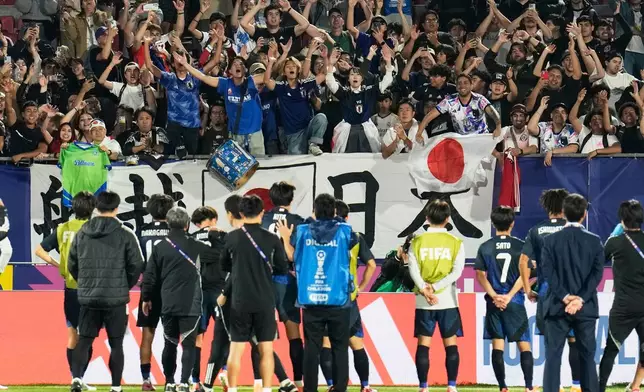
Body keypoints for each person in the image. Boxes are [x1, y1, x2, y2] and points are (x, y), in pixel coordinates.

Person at [278, 193, 357, 392]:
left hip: (311, 298)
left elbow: (292, 256)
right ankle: (339, 388)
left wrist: (287, 238)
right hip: (338, 298)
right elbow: (352, 241)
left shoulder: (303, 231)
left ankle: (310, 389)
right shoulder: (345, 230)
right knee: (340, 347)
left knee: (312, 347)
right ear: (334, 211)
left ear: (314, 210)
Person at [68, 191, 144, 392]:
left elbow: (71, 264)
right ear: (117, 208)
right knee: (116, 343)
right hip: (116, 299)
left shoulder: (82, 232)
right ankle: (116, 386)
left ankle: (76, 378)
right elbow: (137, 265)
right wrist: (124, 285)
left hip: (88, 297)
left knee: (84, 340)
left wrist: (85, 283)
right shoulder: (126, 233)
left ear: (96, 207)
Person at [220, 195, 289, 392]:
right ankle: (266, 389)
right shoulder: (272, 238)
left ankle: (232, 389)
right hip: (265, 301)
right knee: (266, 349)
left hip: (240, 300)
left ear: (241, 213)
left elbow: (224, 265)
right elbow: (282, 268)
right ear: (262, 212)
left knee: (236, 348)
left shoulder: (231, 237)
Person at [518, 188, 582, 392]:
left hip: (547, 292)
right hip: (572, 291)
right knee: (573, 340)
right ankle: (576, 385)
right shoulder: (575, 230)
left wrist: (528, 289)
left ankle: (555, 384)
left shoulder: (536, 230)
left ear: (547, 207)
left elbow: (523, 261)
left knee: (552, 342)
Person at [141, 207, 210, 392]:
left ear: (168, 224)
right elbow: (219, 257)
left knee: (169, 343)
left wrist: (146, 298)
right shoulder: (197, 246)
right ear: (187, 225)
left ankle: (169, 382)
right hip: (191, 304)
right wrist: (216, 238)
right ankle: (184, 383)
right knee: (188, 345)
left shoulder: (160, 247)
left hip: (168, 303)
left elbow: (150, 277)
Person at [34, 191, 97, 392]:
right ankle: (80, 377)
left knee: (73, 336)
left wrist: (57, 264)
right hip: (92, 289)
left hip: (69, 289)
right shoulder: (95, 229)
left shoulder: (63, 228)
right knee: (87, 337)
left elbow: (39, 250)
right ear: (92, 209)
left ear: (73, 208)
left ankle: (75, 378)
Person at [541, 194, 604, 392]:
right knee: (587, 357)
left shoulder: (550, 241)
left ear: (564, 214)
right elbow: (597, 274)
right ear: (584, 215)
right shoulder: (595, 241)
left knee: (553, 356)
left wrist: (564, 296)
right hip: (585, 308)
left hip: (557, 306)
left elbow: (547, 272)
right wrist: (580, 298)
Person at [403, 200, 464, 392]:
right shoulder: (455, 242)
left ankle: (423, 387)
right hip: (447, 299)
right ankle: (451, 386)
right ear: (447, 219)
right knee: (450, 343)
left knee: (424, 343)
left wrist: (424, 289)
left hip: (423, 300)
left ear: (427, 218)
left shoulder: (417, 241)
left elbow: (412, 268)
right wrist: (436, 287)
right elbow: (457, 272)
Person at [474, 206, 535, 392]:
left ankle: (502, 387)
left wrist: (495, 296)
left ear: (493, 224)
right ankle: (529, 387)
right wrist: (509, 296)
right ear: (512, 224)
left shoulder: (485, 246)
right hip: (514, 302)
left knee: (497, 344)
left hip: (494, 304)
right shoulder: (521, 245)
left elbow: (480, 274)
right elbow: (528, 271)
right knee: (524, 345)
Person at [319, 200, 377, 392]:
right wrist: (360, 287)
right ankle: (365, 386)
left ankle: (330, 385)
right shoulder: (355, 237)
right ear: (347, 217)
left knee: (326, 342)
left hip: (325, 296)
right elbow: (372, 265)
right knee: (355, 342)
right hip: (347, 297)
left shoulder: (319, 235)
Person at [599, 200, 644, 392]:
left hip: (623, 308)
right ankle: (635, 386)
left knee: (610, 350)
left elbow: (599, 259)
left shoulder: (615, 242)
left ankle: (599, 388)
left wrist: (612, 236)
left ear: (622, 219)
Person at [137, 194, 174, 391]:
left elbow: (136, 260)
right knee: (171, 335)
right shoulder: (174, 231)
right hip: (171, 288)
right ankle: (170, 381)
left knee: (147, 335)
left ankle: (145, 380)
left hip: (148, 287)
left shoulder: (141, 231)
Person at [189, 206, 227, 391]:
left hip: (197, 293)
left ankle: (195, 380)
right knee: (225, 335)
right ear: (214, 218)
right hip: (220, 292)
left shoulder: (191, 239)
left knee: (197, 338)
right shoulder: (223, 236)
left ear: (197, 223)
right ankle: (224, 371)